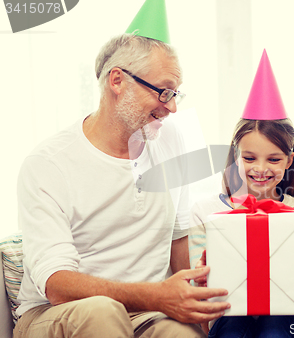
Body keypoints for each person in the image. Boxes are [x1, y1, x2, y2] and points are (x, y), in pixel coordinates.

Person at [13, 3, 229, 337]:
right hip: (56, 313)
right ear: (117, 81)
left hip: (148, 313)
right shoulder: (49, 163)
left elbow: (178, 240)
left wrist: (196, 312)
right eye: (164, 91)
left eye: (176, 94)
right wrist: (156, 295)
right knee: (102, 312)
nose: (172, 107)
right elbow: (56, 285)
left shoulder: (171, 139)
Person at [188, 51, 294, 337]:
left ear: (289, 160)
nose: (261, 169)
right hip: (229, 317)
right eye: (250, 158)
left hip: (291, 319)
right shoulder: (205, 212)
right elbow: (196, 294)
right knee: (235, 329)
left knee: (276, 329)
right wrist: (199, 280)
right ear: (235, 156)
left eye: (274, 160)